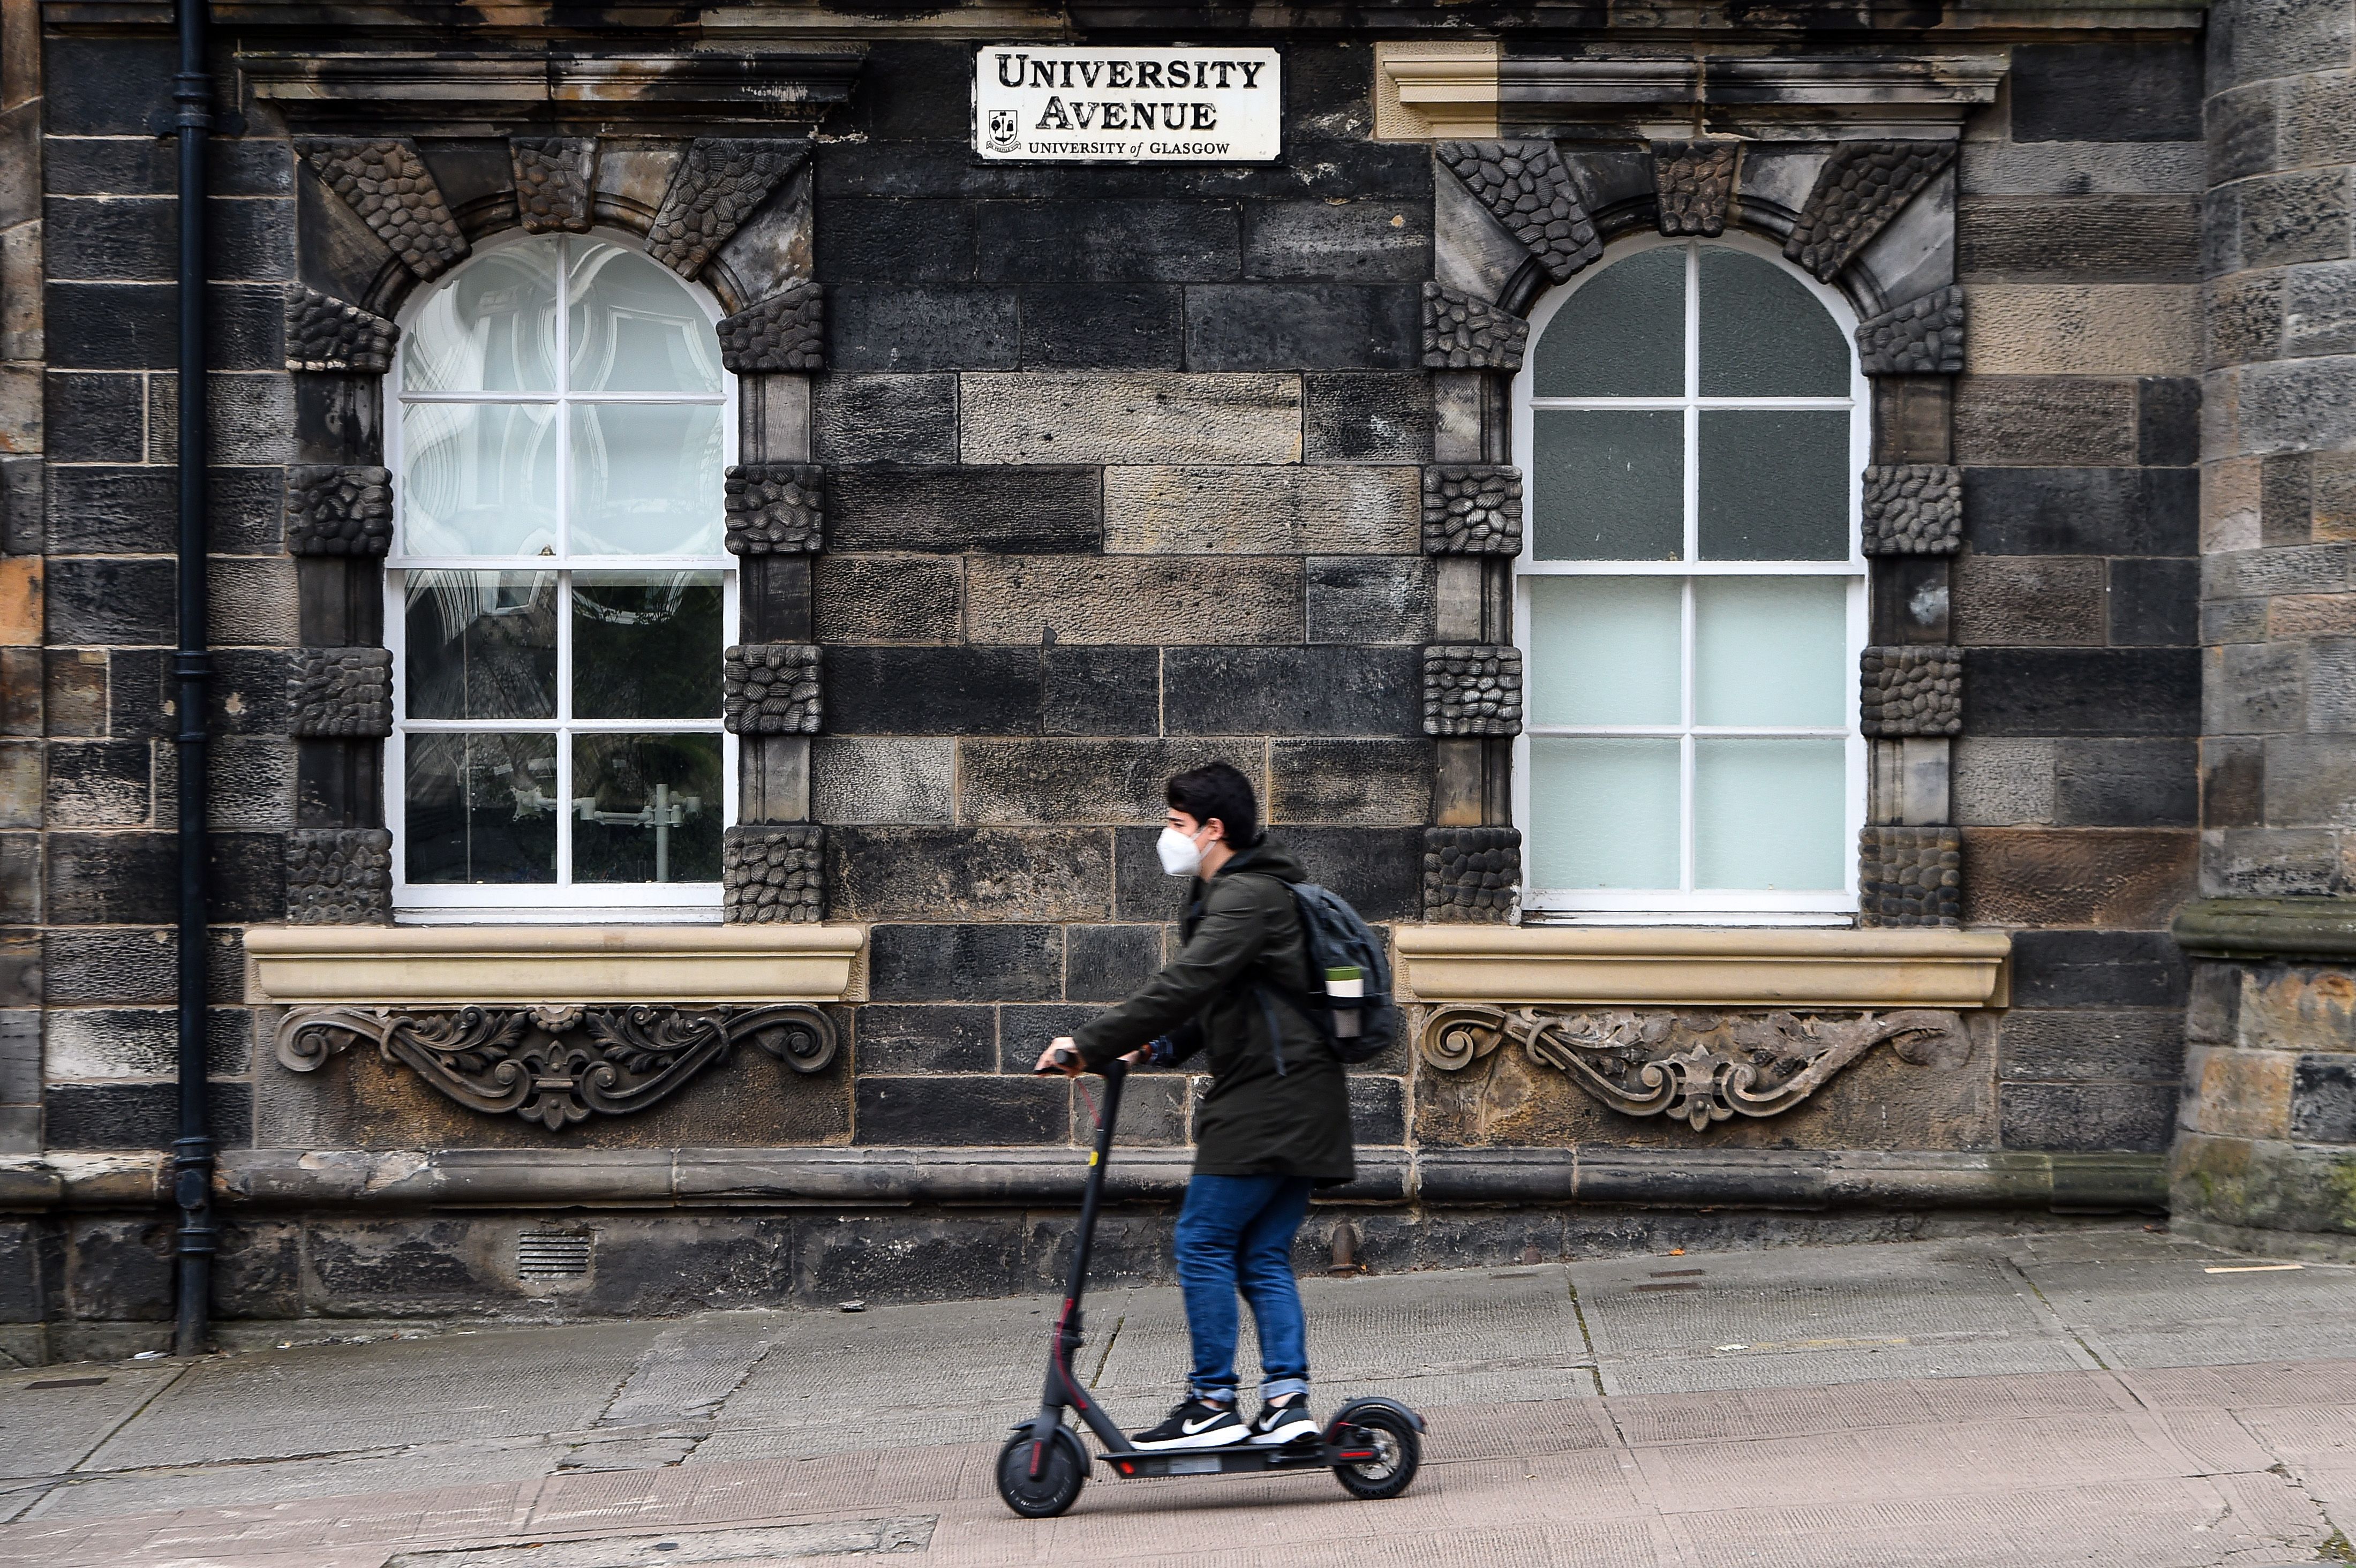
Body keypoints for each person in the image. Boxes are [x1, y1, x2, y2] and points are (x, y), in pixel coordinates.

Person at [1034, 761, 1354, 1452]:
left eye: (1177, 824)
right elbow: (1227, 1004)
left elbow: (1187, 982)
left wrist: (1084, 1045)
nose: (1168, 836)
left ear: (1214, 830)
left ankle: (1212, 1401)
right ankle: (1286, 1405)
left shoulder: (1247, 897)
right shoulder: (1245, 895)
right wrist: (1152, 1051)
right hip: (1301, 1100)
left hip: (1270, 1104)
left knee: (1204, 1241)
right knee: (1261, 1253)